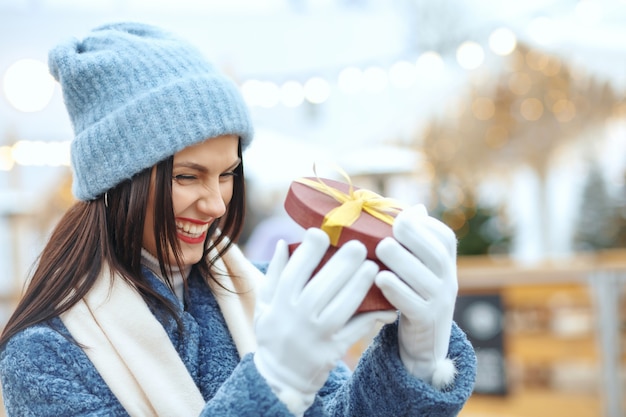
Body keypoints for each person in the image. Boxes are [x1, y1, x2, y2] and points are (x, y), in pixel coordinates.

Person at [0, 22, 476, 417]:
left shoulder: (264, 291)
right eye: (188, 176)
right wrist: (275, 385)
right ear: (119, 181)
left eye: (227, 174)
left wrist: (415, 361)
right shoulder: (43, 356)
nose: (216, 204)